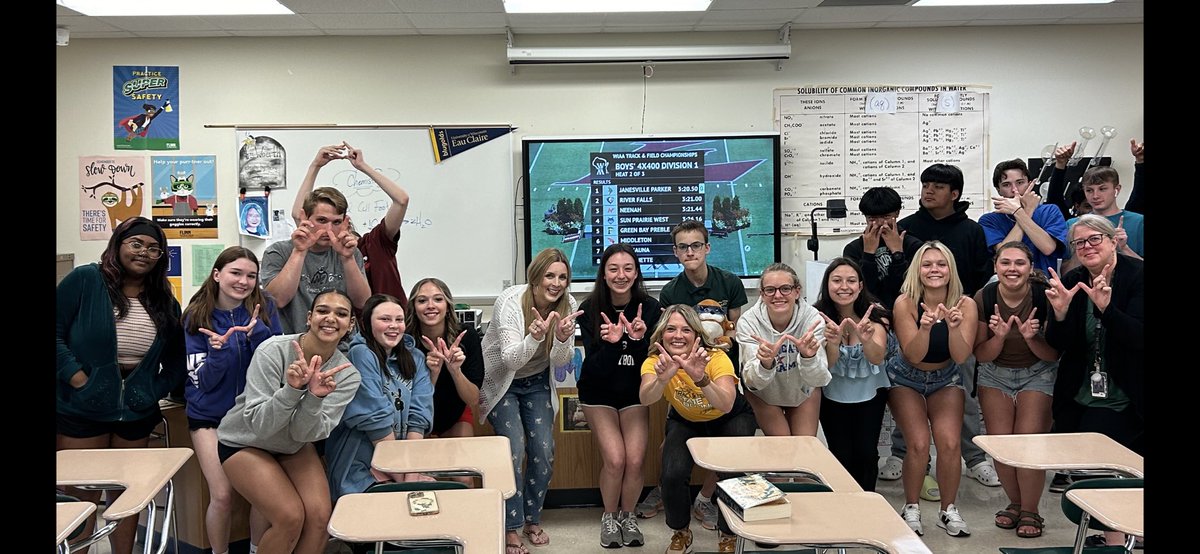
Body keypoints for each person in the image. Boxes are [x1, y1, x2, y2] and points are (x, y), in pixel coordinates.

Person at [56, 217, 186, 554]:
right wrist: (77, 377)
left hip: (136, 411)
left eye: (154, 248)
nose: (144, 252)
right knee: (82, 496)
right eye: (137, 244)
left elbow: (175, 362)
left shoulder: (163, 299)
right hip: (83, 408)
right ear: (119, 245)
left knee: (128, 496)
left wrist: (152, 391)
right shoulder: (86, 279)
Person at [216, 289, 361, 554]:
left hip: (294, 443)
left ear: (350, 324)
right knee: (289, 517)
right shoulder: (273, 350)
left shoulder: (347, 374)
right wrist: (292, 390)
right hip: (246, 442)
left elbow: (305, 432)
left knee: (319, 520)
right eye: (323, 311)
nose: (330, 318)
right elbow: (261, 426)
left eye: (341, 314)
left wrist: (314, 397)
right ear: (309, 317)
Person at [889, 163, 999, 494]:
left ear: (954, 194)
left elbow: (981, 274)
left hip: (957, 319)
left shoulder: (971, 230)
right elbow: (900, 279)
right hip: (914, 319)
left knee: (962, 392)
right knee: (908, 393)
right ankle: (901, 453)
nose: (929, 191)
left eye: (937, 186)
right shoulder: (904, 228)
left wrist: (962, 313)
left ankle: (974, 457)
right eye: (926, 184)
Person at [1045, 214, 1143, 548]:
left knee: (1120, 474)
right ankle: (1119, 539)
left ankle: (1122, 539)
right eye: (1079, 242)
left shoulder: (1138, 277)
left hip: (1130, 393)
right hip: (1084, 393)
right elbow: (1060, 345)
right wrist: (1058, 312)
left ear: (1113, 240)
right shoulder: (1073, 279)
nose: (1086, 247)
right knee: (1097, 475)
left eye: (1094, 239)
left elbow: (1138, 338)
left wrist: (1107, 309)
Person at [479, 248, 582, 554]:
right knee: (513, 450)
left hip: (537, 381)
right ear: (535, 277)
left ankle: (531, 519)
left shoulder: (568, 305)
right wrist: (536, 336)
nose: (557, 283)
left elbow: (561, 363)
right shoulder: (510, 302)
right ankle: (511, 528)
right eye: (550, 275)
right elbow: (511, 360)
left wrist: (563, 339)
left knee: (544, 450)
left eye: (563, 277)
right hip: (504, 383)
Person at [182, 246, 283, 554]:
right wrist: (218, 352)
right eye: (235, 273)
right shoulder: (196, 316)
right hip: (209, 417)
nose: (243, 282)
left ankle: (255, 549)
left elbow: (276, 367)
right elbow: (205, 382)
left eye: (251, 276)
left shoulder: (265, 307)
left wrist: (259, 336)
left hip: (252, 414)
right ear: (217, 274)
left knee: (262, 496)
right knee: (223, 495)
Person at [649, 219, 748, 530]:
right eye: (683, 247)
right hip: (683, 379)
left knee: (730, 455)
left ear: (707, 248)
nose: (690, 251)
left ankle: (712, 506)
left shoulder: (729, 282)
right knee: (674, 456)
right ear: (676, 252)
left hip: (719, 373)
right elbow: (668, 336)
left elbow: (734, 329)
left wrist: (721, 348)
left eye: (696, 245)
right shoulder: (670, 291)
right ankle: (673, 499)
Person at [639, 305, 758, 554]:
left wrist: (700, 378)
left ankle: (728, 536)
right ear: (661, 334)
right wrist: (662, 379)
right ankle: (681, 532)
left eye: (686, 329)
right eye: (671, 329)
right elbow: (646, 399)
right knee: (672, 473)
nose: (678, 335)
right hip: (685, 420)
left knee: (732, 475)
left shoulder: (715, 357)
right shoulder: (655, 361)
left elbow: (725, 404)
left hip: (730, 416)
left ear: (697, 336)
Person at [888, 240, 978, 537]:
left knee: (950, 443)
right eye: (927, 264)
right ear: (918, 270)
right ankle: (911, 506)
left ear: (950, 269)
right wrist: (925, 327)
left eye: (941, 264)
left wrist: (952, 327)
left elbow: (962, 356)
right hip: (906, 377)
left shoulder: (966, 304)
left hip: (946, 377)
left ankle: (948, 509)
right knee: (918, 444)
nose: (934, 269)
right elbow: (913, 355)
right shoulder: (904, 302)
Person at [972, 241, 1060, 539]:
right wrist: (999, 337)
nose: (1012, 269)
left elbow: (1052, 355)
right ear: (996, 266)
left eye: (1019, 263)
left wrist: (1031, 338)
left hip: (1038, 373)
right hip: (994, 375)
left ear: (1029, 266)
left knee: (1029, 445)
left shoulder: (1043, 295)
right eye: (1005, 263)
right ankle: (1016, 503)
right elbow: (981, 355)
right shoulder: (984, 297)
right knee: (1002, 448)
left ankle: (1031, 510)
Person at [577, 243, 662, 548]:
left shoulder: (650, 309)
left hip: (633, 393)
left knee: (636, 460)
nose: (621, 275)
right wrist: (613, 343)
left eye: (628, 268)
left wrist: (638, 340)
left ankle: (629, 516)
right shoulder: (589, 308)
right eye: (613, 268)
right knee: (615, 459)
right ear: (603, 273)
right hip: (597, 392)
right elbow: (594, 368)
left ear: (637, 272)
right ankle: (609, 517)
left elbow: (648, 363)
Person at [326, 294, 433, 506]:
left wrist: (409, 474)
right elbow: (374, 419)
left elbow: (419, 416)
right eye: (385, 319)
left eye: (399, 320)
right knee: (395, 516)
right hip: (361, 465)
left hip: (404, 463)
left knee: (429, 512)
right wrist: (405, 480)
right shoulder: (360, 353)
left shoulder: (416, 358)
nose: (393, 326)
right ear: (367, 323)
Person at [292, 142, 412, 305]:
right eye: (325, 222)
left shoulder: (374, 244)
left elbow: (402, 200)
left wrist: (362, 166)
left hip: (389, 321)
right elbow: (301, 215)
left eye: (337, 223)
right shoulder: (334, 254)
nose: (334, 231)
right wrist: (315, 166)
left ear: (346, 223)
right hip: (351, 324)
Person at [811, 258, 892, 492]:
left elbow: (877, 358)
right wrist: (833, 344)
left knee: (867, 453)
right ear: (827, 285)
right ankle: (844, 504)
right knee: (840, 453)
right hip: (832, 396)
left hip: (870, 395)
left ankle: (868, 504)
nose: (843, 286)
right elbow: (826, 366)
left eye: (850, 281)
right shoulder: (816, 317)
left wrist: (866, 341)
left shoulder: (875, 316)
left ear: (860, 285)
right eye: (836, 281)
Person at [734, 263, 830, 438]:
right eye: (770, 290)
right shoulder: (748, 322)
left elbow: (820, 379)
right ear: (762, 295)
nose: (778, 295)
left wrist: (808, 357)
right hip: (763, 394)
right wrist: (765, 363)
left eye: (785, 288)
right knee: (784, 448)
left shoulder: (813, 319)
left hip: (802, 389)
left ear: (797, 291)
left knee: (804, 447)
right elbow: (753, 382)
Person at [263, 183, 370, 333]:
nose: (329, 229)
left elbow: (362, 302)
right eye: (321, 220)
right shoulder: (278, 251)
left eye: (336, 222)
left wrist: (348, 259)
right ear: (304, 218)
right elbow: (278, 300)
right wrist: (299, 252)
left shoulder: (350, 252)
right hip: (296, 342)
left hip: (342, 345)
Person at [406, 277, 484, 440]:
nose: (430, 306)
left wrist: (455, 371)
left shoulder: (466, 336)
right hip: (414, 415)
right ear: (414, 307)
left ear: (448, 306)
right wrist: (431, 375)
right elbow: (408, 399)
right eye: (422, 300)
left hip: (455, 415)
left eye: (438, 299)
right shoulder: (406, 342)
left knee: (463, 461)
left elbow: (473, 399)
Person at [979, 159, 1069, 274]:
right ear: (999, 190)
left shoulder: (1050, 211)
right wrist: (1026, 211)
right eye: (1006, 185)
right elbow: (1005, 253)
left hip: (1044, 283)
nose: (1014, 190)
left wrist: (1020, 212)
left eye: (1020, 182)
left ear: (1029, 183)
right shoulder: (989, 220)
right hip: (1008, 281)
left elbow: (1048, 248)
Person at [843, 186, 924, 310]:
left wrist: (897, 253)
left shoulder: (913, 245)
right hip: (868, 313)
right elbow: (862, 289)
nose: (880, 223)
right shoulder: (853, 249)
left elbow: (905, 287)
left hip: (906, 310)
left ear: (897, 213)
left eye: (886, 216)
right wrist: (868, 254)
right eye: (872, 218)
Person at [1060, 165, 1144, 272]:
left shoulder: (1138, 222)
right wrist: (1081, 246)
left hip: (1130, 286)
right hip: (1087, 286)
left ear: (1116, 189)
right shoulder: (1073, 224)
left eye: (1102, 189)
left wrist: (1124, 248)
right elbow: (1065, 273)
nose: (1095, 196)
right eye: (1089, 190)